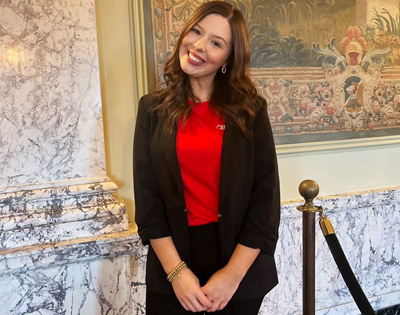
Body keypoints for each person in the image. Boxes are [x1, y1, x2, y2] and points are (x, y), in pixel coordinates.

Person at [133, 1, 280, 314]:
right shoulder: (152, 109)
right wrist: (177, 274)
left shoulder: (251, 111)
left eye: (216, 43)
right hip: (172, 264)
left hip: (239, 266)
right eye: (196, 32)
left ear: (228, 58)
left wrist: (232, 275)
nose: (198, 46)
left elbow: (265, 201)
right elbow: (148, 202)